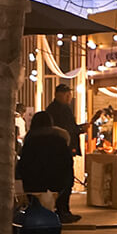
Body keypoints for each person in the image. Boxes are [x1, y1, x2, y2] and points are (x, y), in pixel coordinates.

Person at [14, 110, 74, 209]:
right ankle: (62, 210)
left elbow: (23, 165)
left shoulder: (30, 141)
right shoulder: (60, 139)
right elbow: (67, 163)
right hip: (58, 182)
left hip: (34, 183)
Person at [44, 87, 81, 222]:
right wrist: (79, 129)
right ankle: (62, 211)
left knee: (64, 182)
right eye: (67, 95)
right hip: (61, 151)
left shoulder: (56, 109)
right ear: (58, 95)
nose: (69, 97)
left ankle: (63, 210)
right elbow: (68, 129)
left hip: (59, 151)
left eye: (69, 94)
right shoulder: (59, 110)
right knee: (65, 182)